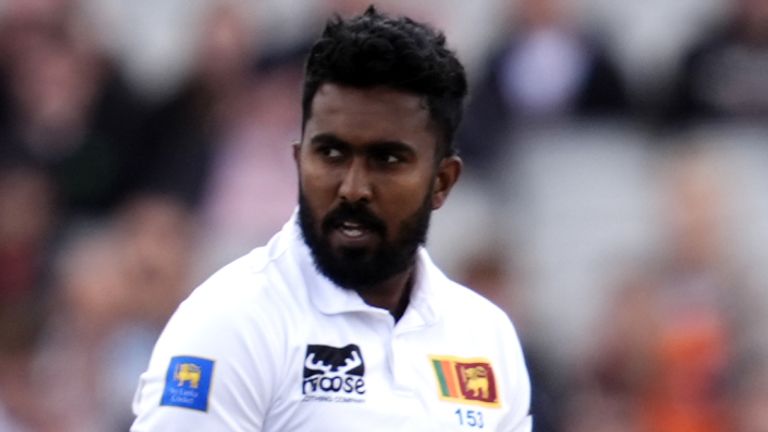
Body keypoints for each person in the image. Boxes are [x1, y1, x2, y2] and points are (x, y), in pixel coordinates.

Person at [131, 6, 532, 431]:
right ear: (298, 159)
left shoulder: (486, 338)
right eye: (331, 153)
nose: (353, 187)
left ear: (442, 181)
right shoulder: (231, 322)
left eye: (387, 159)